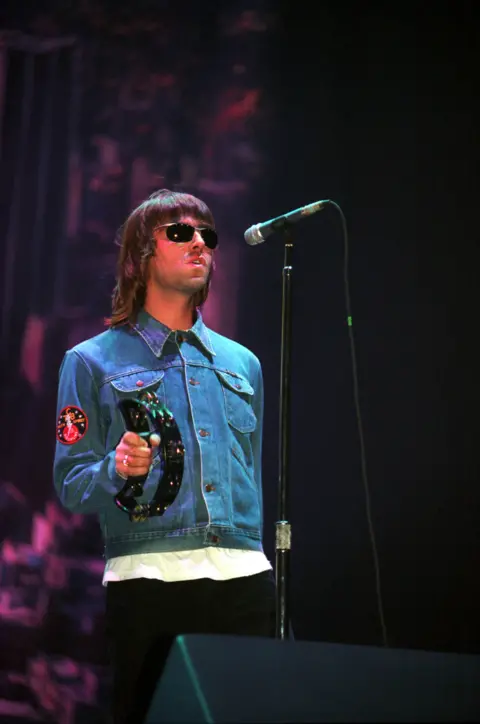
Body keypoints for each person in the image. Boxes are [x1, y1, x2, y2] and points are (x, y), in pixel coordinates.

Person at [53, 189, 275, 723]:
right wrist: (115, 467)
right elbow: (70, 483)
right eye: (180, 233)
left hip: (244, 579)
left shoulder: (244, 363)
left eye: (207, 236)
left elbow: (255, 476)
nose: (200, 243)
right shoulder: (88, 362)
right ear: (139, 257)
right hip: (149, 579)